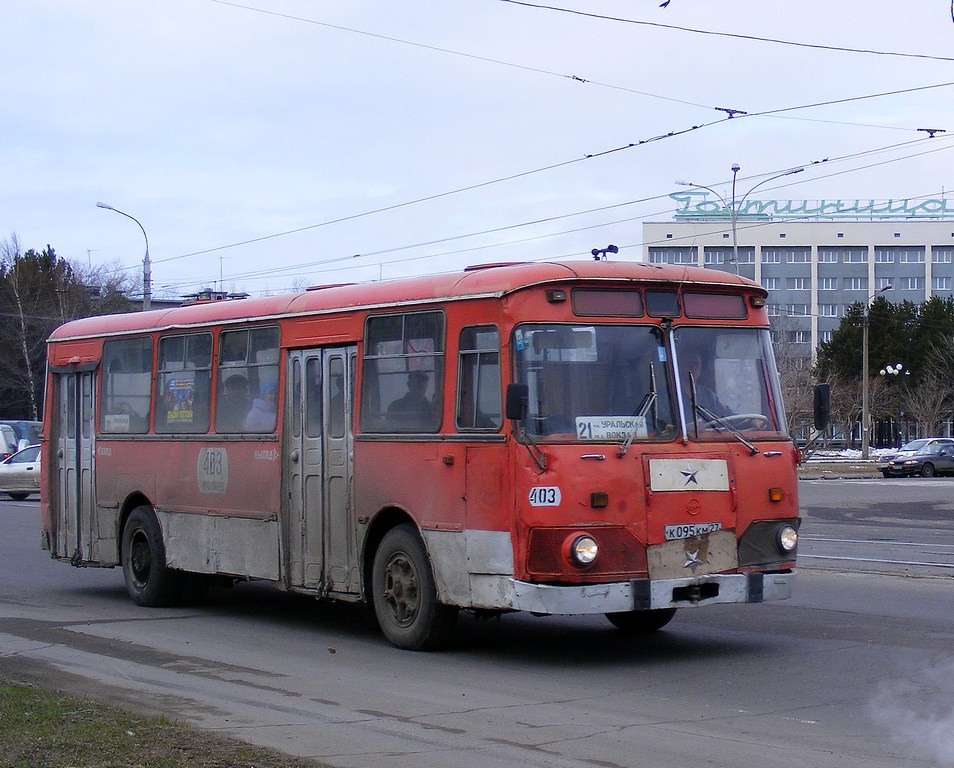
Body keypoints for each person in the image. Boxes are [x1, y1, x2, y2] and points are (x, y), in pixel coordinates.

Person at [679, 350, 727, 419]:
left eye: (696, 364)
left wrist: (746, 420)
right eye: (688, 364)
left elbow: (725, 414)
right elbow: (664, 425)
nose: (693, 368)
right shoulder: (666, 396)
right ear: (680, 366)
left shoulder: (707, 394)